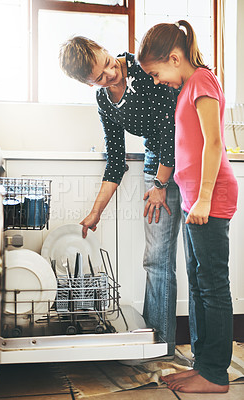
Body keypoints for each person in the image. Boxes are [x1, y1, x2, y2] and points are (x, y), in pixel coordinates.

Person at [59, 36, 196, 358]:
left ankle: (203, 353)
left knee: (197, 261)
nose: (111, 74)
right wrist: (95, 213)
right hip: (156, 172)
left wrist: (162, 183)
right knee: (157, 260)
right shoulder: (105, 100)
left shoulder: (145, 67)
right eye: (99, 77)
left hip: (188, 164)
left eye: (108, 63)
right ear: (87, 83)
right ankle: (160, 348)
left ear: (105, 49)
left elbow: (169, 130)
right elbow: (116, 160)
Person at [137, 20, 238, 393]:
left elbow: (214, 143)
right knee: (198, 284)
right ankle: (204, 364)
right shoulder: (189, 87)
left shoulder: (203, 81)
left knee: (212, 286)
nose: (156, 80)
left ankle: (215, 375)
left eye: (157, 72)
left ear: (175, 58)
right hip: (196, 201)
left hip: (209, 201)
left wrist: (205, 199)